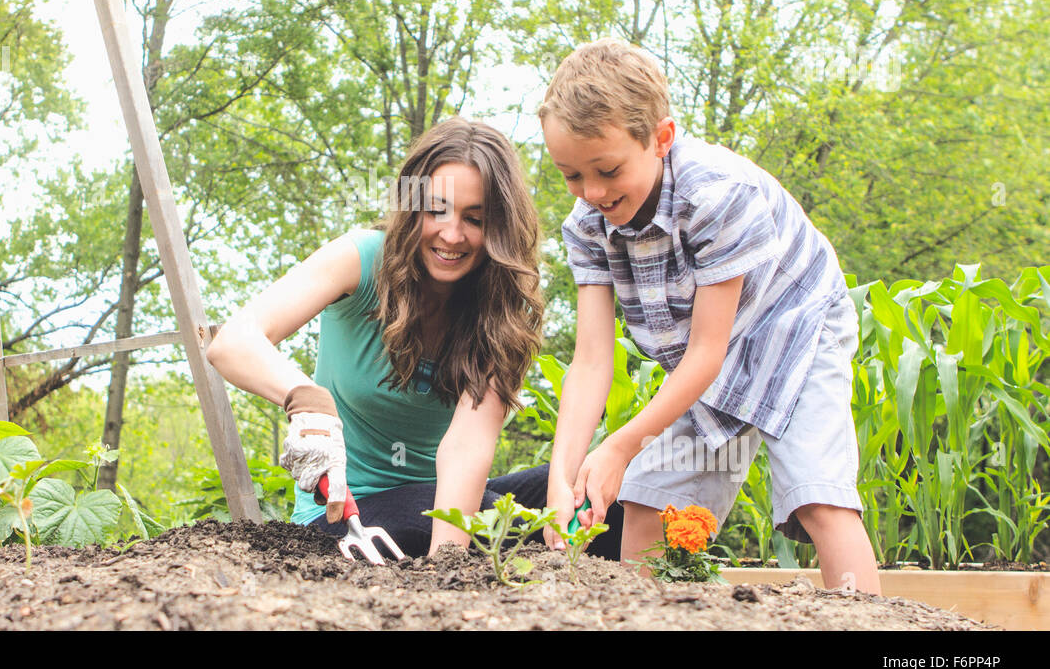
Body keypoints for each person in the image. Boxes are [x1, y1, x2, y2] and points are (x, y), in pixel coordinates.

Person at [538, 39, 880, 594]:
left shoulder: (715, 195)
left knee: (816, 493)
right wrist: (561, 479)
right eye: (571, 175)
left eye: (606, 169)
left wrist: (621, 446)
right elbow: (591, 360)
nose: (592, 192)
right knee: (649, 501)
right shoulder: (586, 227)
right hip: (705, 360)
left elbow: (707, 354)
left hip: (796, 326)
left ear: (661, 138)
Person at [206, 116, 621, 559]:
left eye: (475, 218)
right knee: (428, 518)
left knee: (603, 493)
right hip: (347, 516)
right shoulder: (362, 259)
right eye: (436, 210)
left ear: (499, 228)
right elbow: (233, 341)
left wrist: (447, 563)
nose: (452, 234)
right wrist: (304, 398)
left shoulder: (500, 308)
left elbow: (467, 447)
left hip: (443, 505)